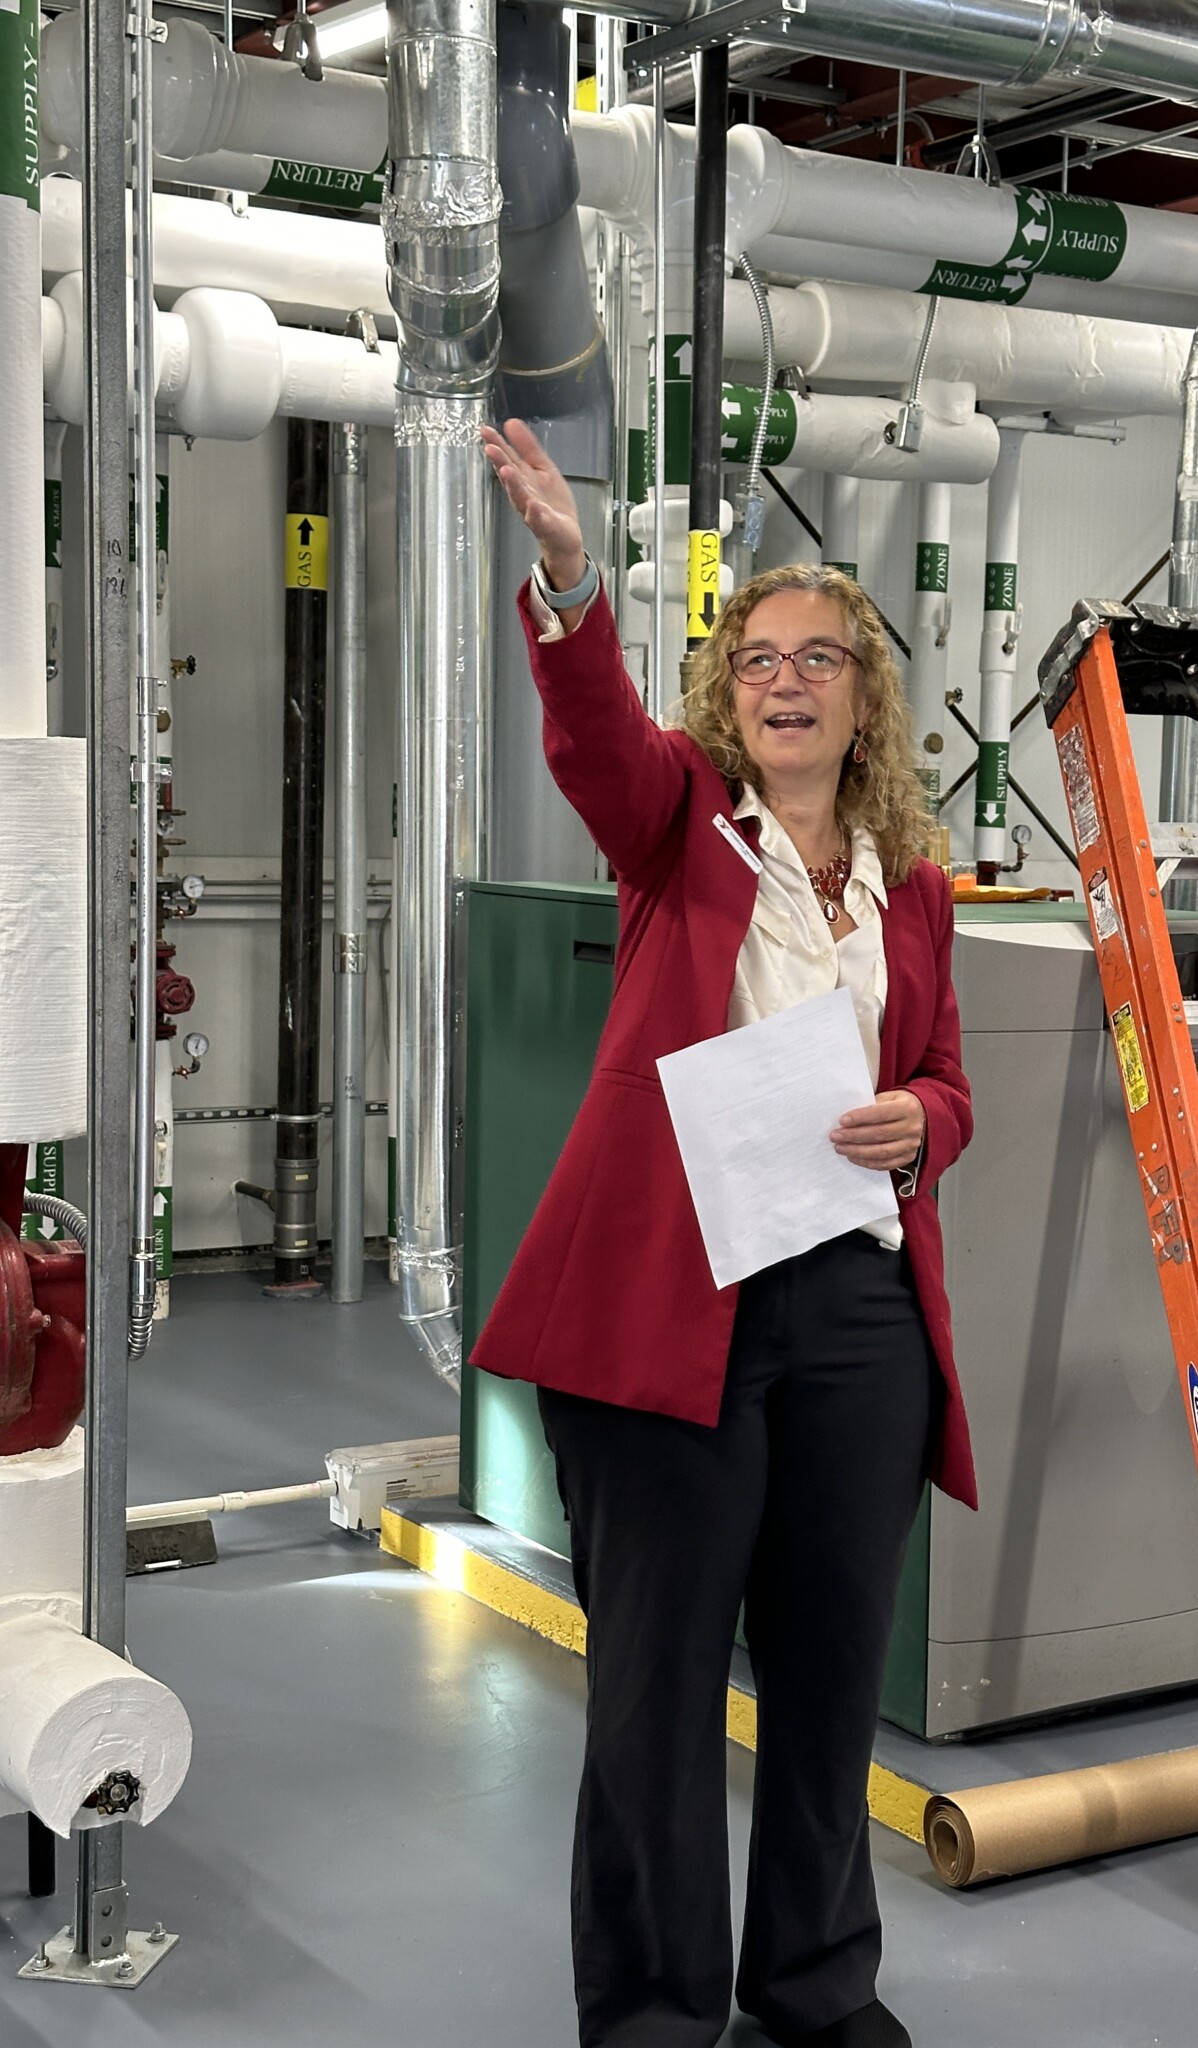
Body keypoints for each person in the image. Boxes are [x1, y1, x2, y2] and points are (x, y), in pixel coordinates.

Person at [472, 418, 976, 2048]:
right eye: (757, 657)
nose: (786, 680)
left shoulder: (912, 884)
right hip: (671, 1309)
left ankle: (819, 1994)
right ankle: (653, 2019)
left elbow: (948, 1079)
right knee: (657, 1698)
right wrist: (568, 571)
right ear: (726, 691)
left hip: (857, 1310)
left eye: (820, 657)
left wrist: (927, 1125)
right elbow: (594, 736)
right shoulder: (677, 822)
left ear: (860, 697)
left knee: (829, 1685)